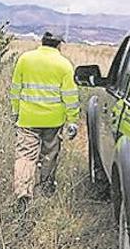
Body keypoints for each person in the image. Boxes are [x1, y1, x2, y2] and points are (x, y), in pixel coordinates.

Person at [9, 30, 80, 213]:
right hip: (53, 120)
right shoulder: (64, 64)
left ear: (42, 42)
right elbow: (70, 96)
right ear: (59, 45)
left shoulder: (25, 59)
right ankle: (46, 188)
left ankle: (23, 192)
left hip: (27, 118)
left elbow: (16, 89)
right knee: (49, 154)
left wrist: (15, 112)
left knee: (25, 155)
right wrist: (72, 120)